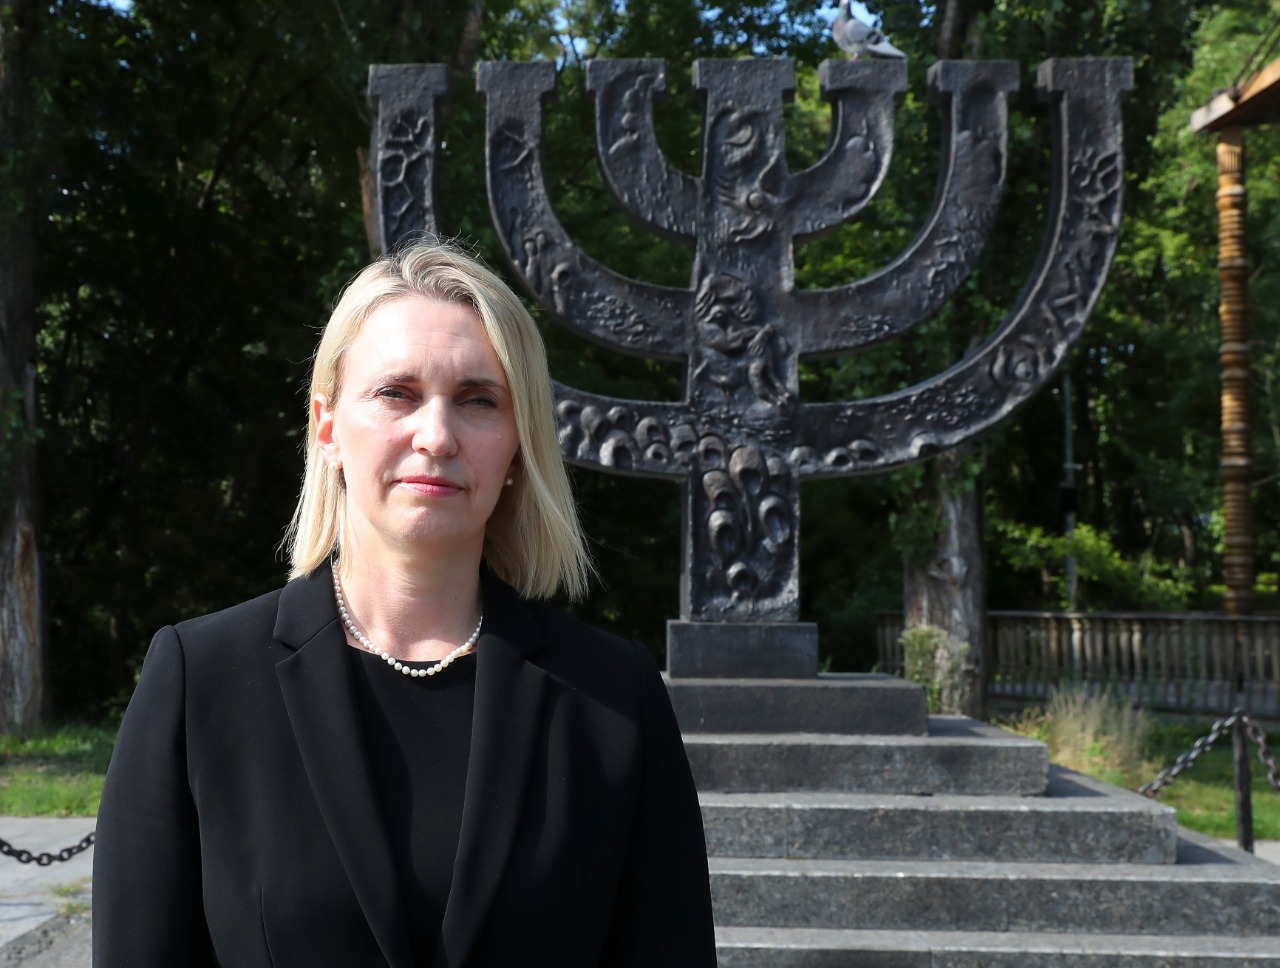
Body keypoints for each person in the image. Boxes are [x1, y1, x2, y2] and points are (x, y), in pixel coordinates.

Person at [92, 240, 717, 967]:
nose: (437, 436)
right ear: (327, 427)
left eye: (479, 400)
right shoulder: (199, 680)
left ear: (518, 446)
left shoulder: (612, 696)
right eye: (397, 393)